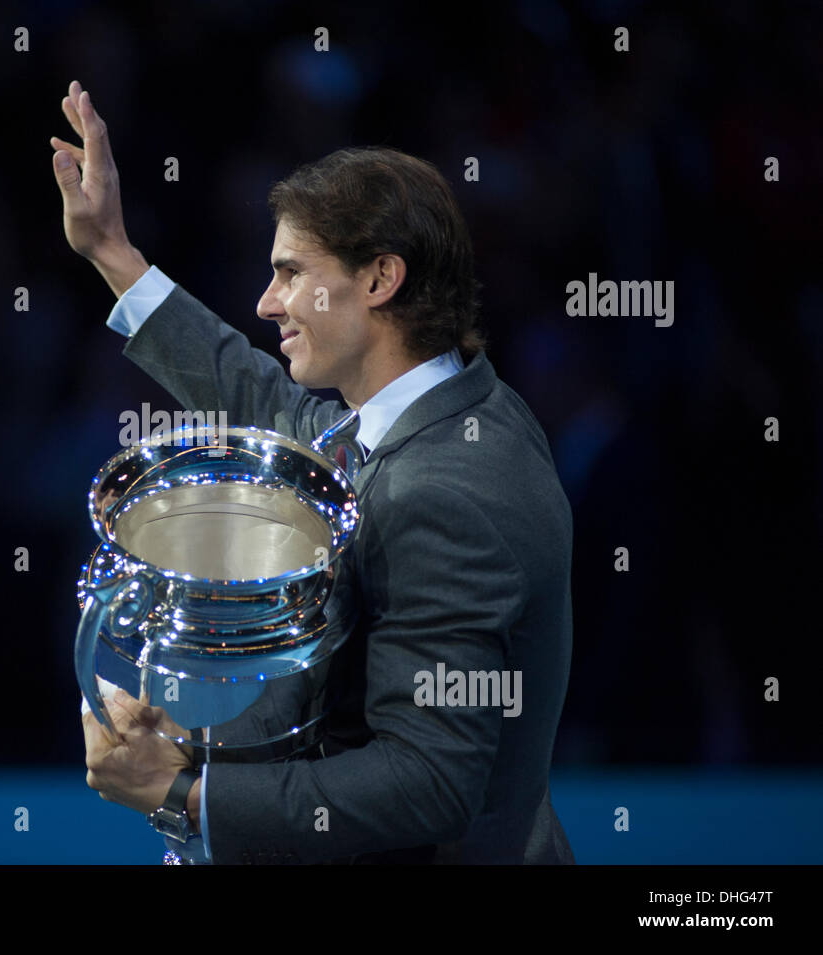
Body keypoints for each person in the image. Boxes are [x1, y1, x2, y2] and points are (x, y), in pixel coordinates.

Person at [53, 80, 575, 864]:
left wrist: (182, 794)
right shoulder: (431, 404)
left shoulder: (448, 492)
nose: (267, 302)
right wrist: (112, 253)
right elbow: (253, 391)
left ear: (378, 279)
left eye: (292, 272)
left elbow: (429, 780)